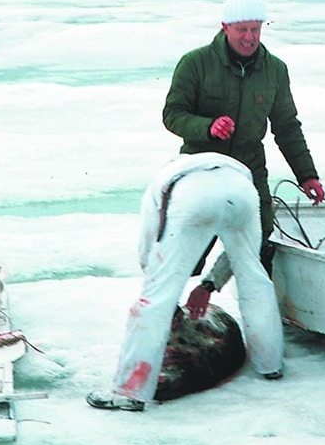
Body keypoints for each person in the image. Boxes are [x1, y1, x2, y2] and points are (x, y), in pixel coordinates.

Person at [162, 0, 325, 309]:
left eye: (256, 29)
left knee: (258, 241)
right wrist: (208, 127)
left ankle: (220, 293)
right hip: (201, 164)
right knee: (190, 244)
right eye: (242, 30)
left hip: (250, 167)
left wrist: (307, 175)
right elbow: (173, 114)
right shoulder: (195, 63)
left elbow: (287, 126)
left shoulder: (275, 70)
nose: (250, 37)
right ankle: (171, 310)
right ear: (225, 26)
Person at [86, 153, 284, 412]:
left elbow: (150, 244)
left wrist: (156, 282)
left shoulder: (164, 182)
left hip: (193, 198)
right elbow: (245, 252)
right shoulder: (227, 168)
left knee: (155, 299)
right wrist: (211, 283)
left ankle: (130, 392)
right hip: (244, 191)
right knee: (254, 278)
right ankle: (270, 365)